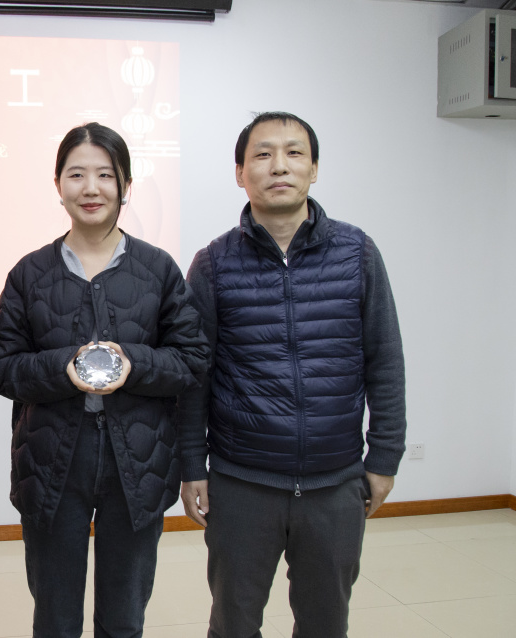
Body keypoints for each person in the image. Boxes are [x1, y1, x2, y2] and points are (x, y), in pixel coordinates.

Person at [177, 111, 407, 638]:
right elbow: (195, 376)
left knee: (326, 623)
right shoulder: (213, 264)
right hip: (241, 482)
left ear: (314, 168)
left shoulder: (357, 253)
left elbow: (385, 359)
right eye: (262, 154)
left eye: (294, 152)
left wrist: (384, 457)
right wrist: (191, 465)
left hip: (335, 481)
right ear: (240, 173)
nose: (279, 166)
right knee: (233, 623)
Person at [0, 122, 209, 638]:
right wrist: (62, 367)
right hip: (51, 462)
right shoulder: (29, 273)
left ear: (126, 185)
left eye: (105, 175)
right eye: (76, 175)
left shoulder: (158, 269)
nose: (91, 188)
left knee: (124, 616)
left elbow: (191, 358)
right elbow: (4, 367)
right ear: (58, 184)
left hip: (138, 461)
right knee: (55, 617)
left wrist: (132, 363)